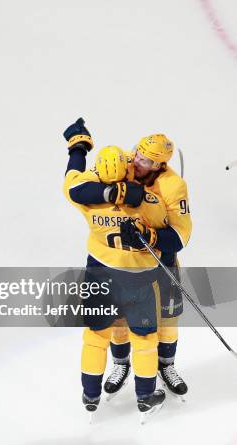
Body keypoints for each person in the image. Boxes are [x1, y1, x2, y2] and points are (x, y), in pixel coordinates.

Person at [62, 118, 167, 422]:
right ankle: (146, 396)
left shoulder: (88, 200)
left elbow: (72, 181)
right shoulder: (148, 201)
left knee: (95, 335)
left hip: (99, 273)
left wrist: (78, 147)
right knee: (145, 338)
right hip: (138, 277)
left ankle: (90, 394)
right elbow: (165, 229)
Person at [104, 134, 192, 401]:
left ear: (159, 166)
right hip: (123, 262)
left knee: (167, 319)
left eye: (145, 161)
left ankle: (166, 366)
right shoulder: (123, 165)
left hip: (159, 261)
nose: (137, 162)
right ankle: (121, 364)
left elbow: (181, 236)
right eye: (137, 154)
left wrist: (152, 237)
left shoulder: (173, 186)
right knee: (117, 317)